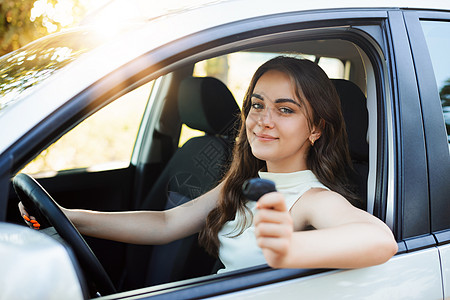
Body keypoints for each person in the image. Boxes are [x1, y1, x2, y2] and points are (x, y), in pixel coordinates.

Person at [19, 56, 398, 274]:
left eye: (286, 109)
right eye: (257, 104)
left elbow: (380, 241)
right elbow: (166, 223)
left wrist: (289, 250)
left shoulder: (312, 198)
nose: (263, 120)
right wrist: (72, 217)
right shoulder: (246, 181)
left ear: (315, 129)